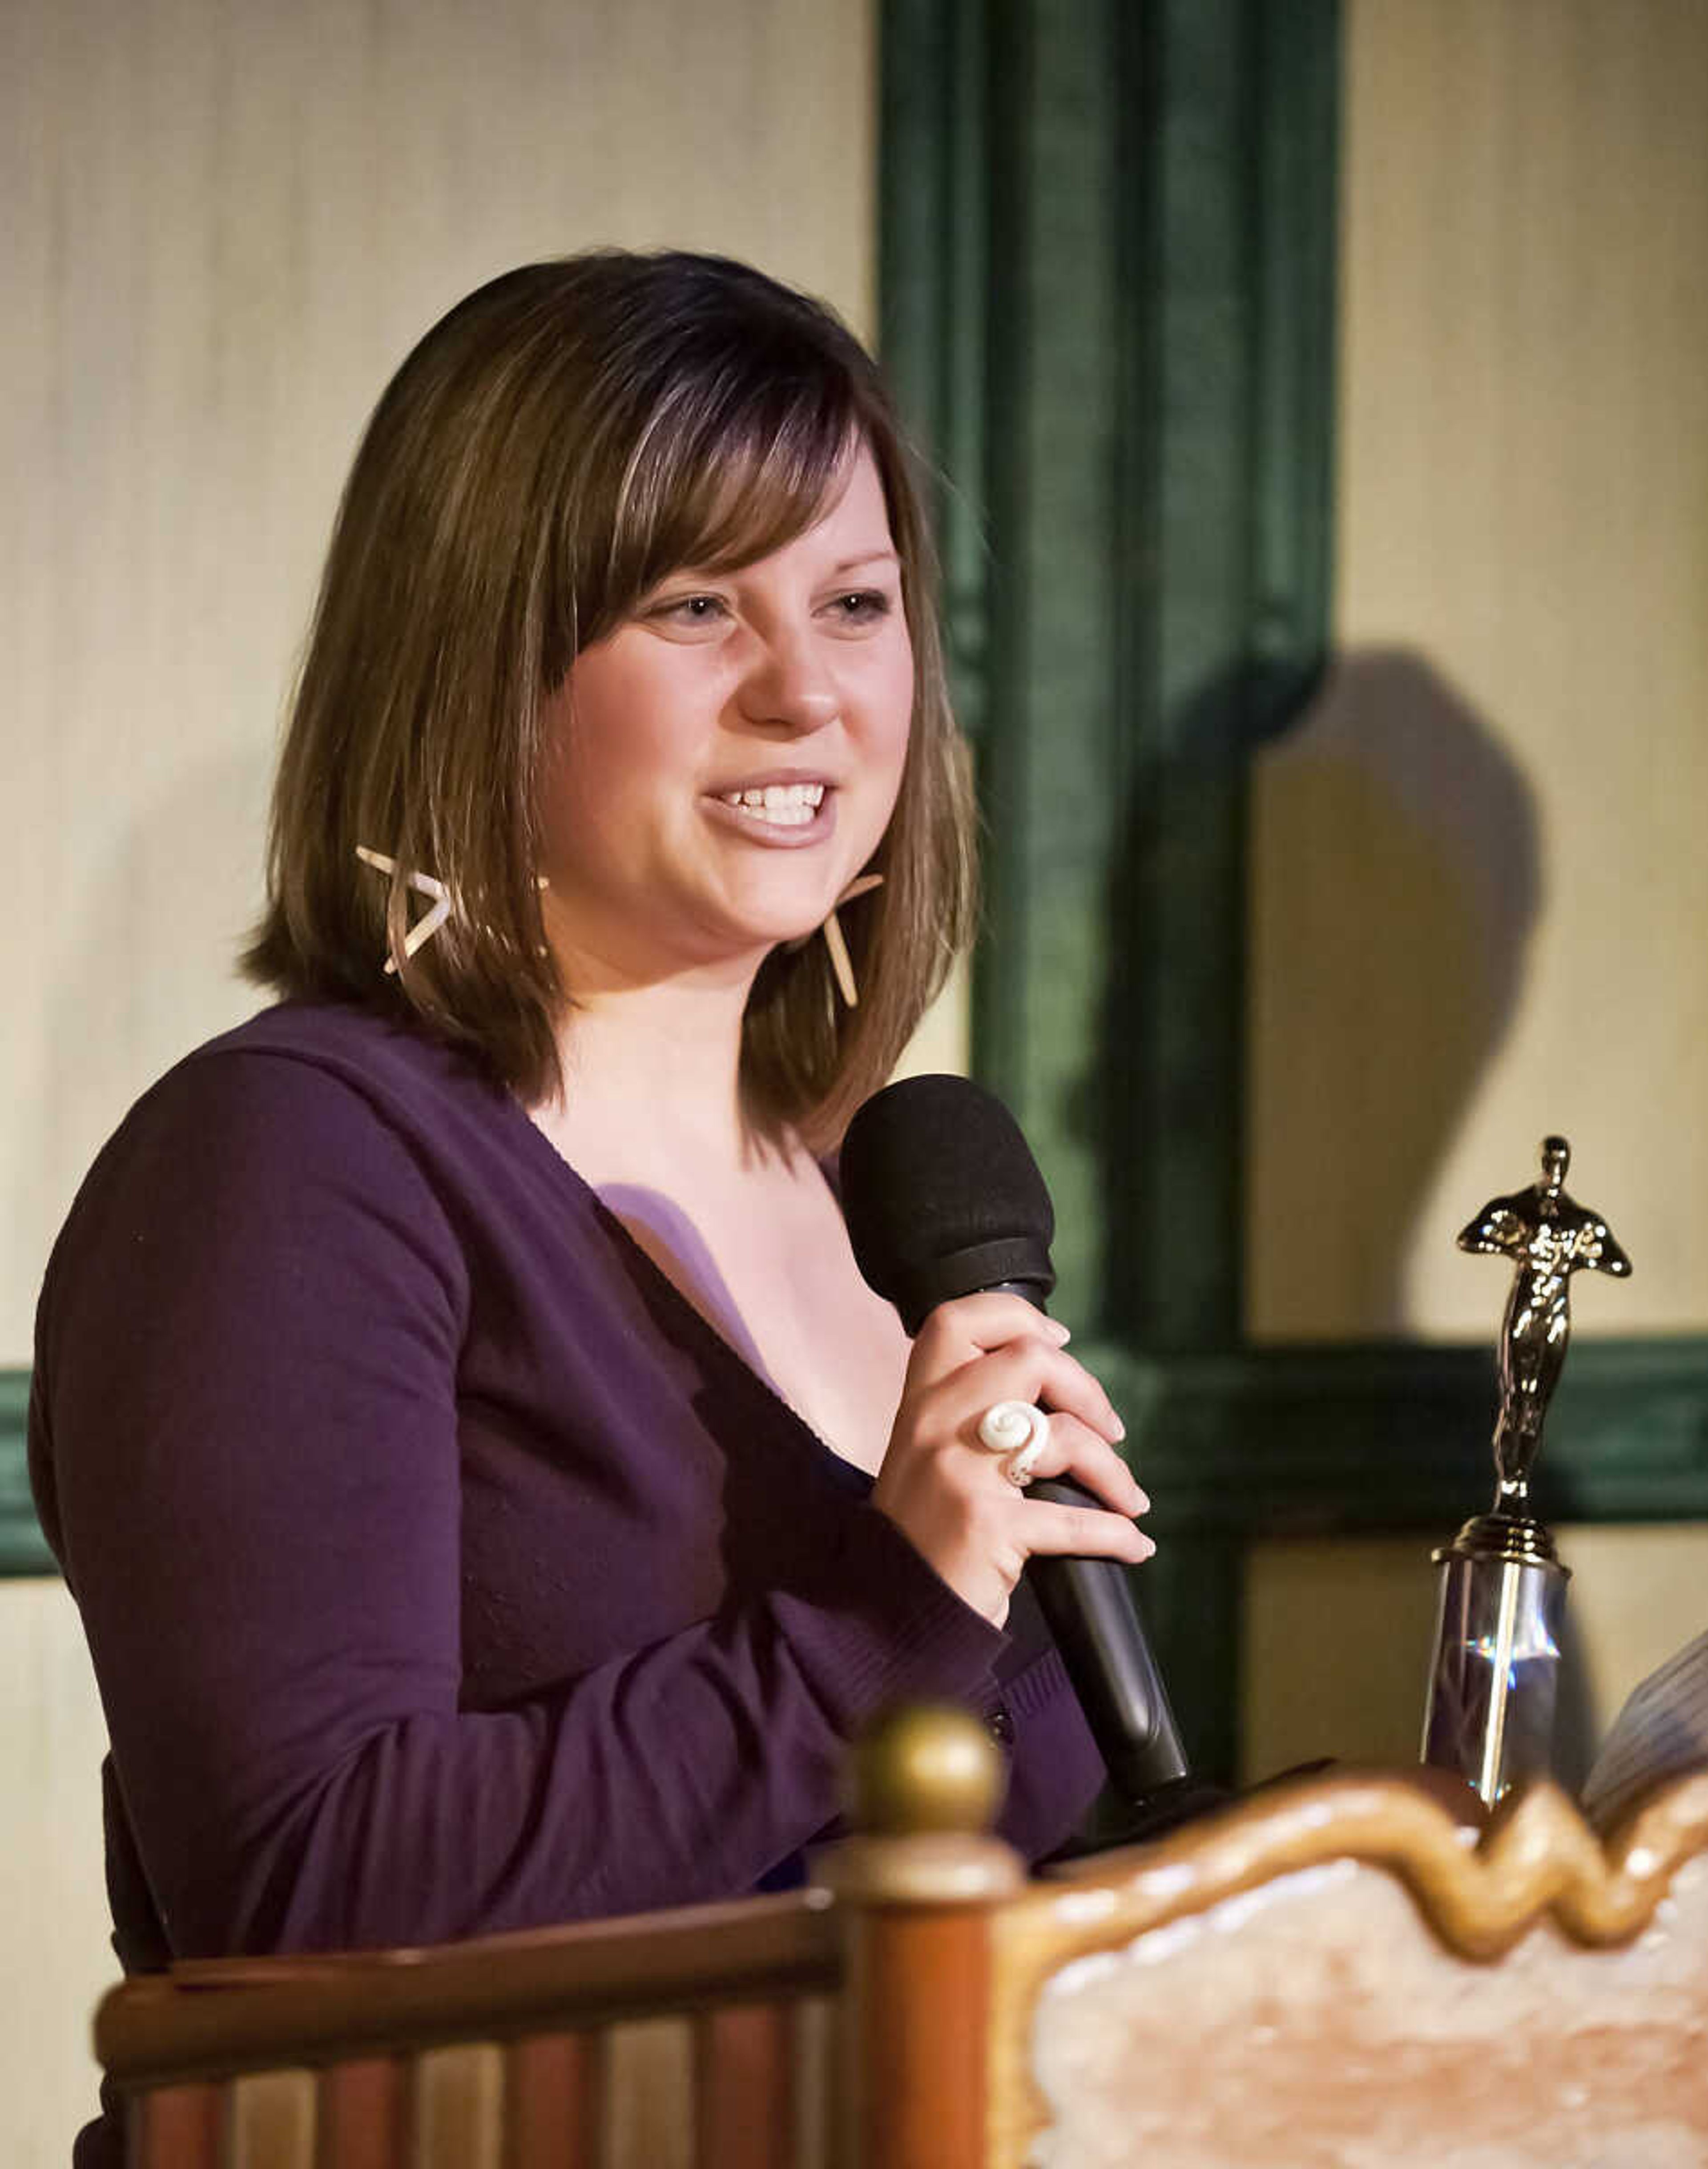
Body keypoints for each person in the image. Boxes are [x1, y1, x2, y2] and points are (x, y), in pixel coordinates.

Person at [28, 251, 1153, 2163]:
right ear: (485, 662)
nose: (808, 688)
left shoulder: (886, 1195)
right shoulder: (291, 1167)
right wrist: (877, 1633)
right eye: (697, 604)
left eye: (857, 602)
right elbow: (305, 1896)